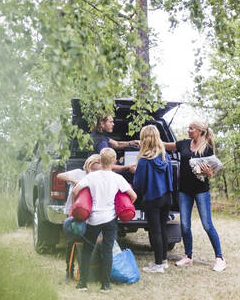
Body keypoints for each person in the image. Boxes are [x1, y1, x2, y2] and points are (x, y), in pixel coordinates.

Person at [71, 147, 137, 293]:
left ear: (100, 161)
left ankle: (82, 284)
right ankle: (105, 285)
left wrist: (75, 207)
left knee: (87, 249)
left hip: (93, 218)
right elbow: (133, 196)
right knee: (107, 251)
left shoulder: (91, 176)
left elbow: (75, 191)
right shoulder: (118, 178)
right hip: (110, 219)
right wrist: (120, 207)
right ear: (114, 161)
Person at [164, 120, 226, 272]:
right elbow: (166, 145)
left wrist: (209, 173)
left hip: (201, 191)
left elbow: (211, 171)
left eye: (191, 128)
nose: (188, 130)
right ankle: (188, 257)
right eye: (188, 128)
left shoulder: (207, 148)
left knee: (207, 225)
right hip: (184, 191)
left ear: (199, 131)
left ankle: (220, 259)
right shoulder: (184, 144)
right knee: (185, 225)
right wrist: (149, 141)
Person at [133, 125, 173, 273]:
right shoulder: (165, 156)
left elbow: (139, 184)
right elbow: (170, 178)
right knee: (162, 229)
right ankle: (163, 261)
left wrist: (138, 195)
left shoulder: (144, 160)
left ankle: (158, 265)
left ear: (144, 139)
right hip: (166, 197)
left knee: (155, 231)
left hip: (152, 198)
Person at [57, 154, 101, 281]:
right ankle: (68, 271)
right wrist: (77, 182)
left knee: (88, 244)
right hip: (73, 214)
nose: (95, 172)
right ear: (87, 166)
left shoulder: (98, 178)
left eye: (97, 169)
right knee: (72, 243)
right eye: (93, 169)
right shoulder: (78, 173)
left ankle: (86, 272)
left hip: (90, 216)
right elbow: (60, 176)